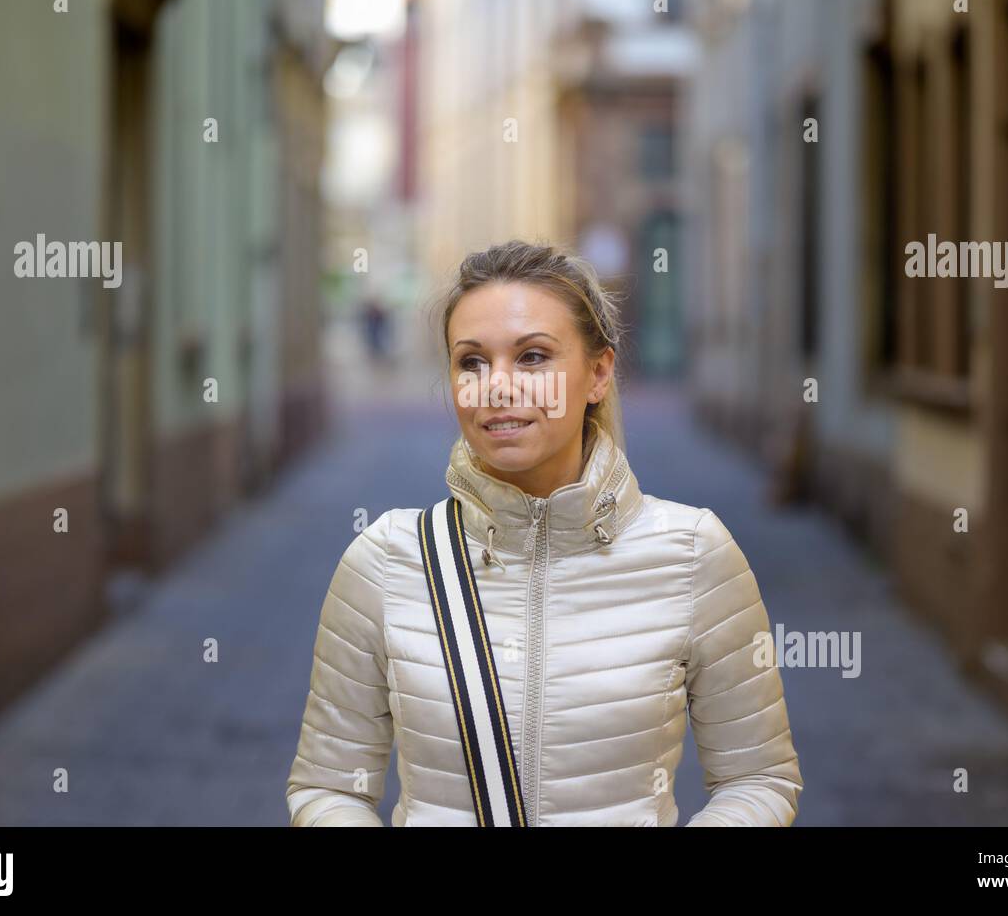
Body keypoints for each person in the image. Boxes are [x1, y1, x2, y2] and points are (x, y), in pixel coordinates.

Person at [285, 239, 803, 826]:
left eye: (533, 357)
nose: (497, 386)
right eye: (471, 362)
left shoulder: (692, 552)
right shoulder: (383, 561)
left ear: (598, 374)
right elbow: (329, 788)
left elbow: (758, 778)